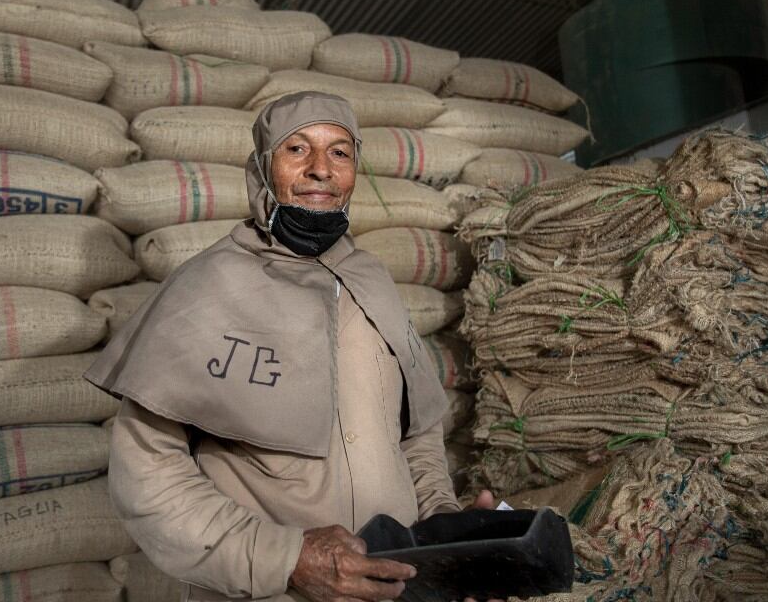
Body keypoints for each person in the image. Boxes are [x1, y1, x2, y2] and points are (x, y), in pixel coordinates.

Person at [86, 91, 498, 602]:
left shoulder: (371, 283)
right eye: (297, 149)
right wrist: (286, 559)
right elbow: (147, 476)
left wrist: (442, 522)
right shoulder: (207, 288)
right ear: (263, 167)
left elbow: (416, 431)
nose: (321, 169)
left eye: (340, 152)